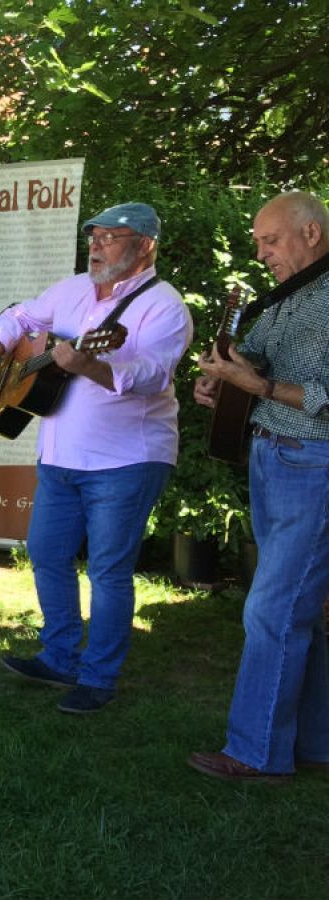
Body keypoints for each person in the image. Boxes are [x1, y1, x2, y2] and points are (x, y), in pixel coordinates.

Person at [0, 202, 192, 714]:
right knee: (46, 554)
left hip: (127, 460)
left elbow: (153, 375)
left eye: (110, 237)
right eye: (93, 236)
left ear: (145, 246)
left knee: (109, 571)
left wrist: (89, 365)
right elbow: (18, 316)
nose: (95, 245)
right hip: (60, 455)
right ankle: (60, 656)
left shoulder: (164, 306)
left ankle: (98, 678)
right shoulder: (69, 290)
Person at [188, 191, 329, 782]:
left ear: (312, 233)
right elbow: (255, 362)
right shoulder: (286, 296)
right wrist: (224, 383)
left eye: (270, 240)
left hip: (314, 465)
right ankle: (316, 745)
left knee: (271, 609)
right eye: (258, 242)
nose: (262, 251)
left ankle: (256, 752)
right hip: (273, 458)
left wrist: (262, 389)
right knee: (300, 609)